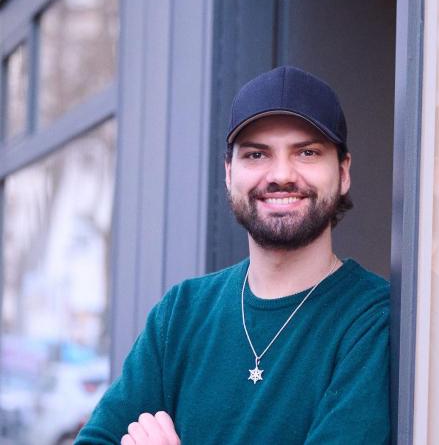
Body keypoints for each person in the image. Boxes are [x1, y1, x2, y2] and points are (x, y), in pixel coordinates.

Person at [76, 66, 390, 444]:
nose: (280, 175)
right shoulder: (181, 313)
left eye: (306, 152)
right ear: (228, 173)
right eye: (257, 155)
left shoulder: (374, 319)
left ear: (343, 172)